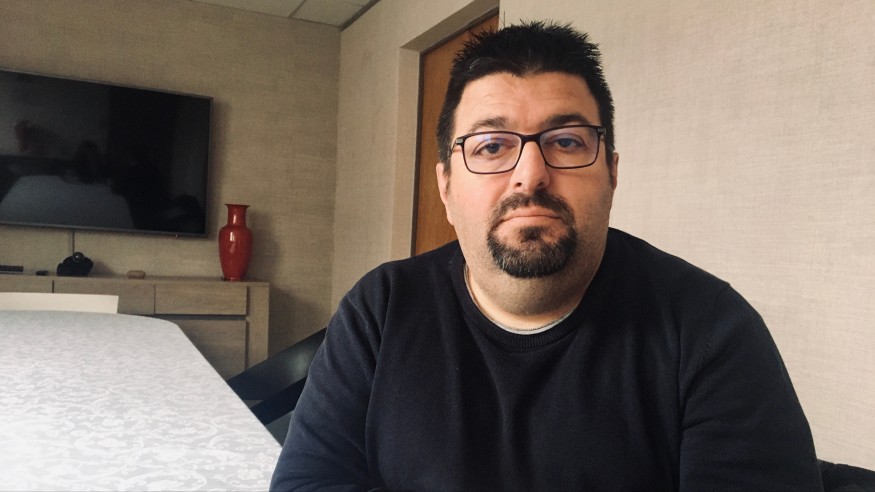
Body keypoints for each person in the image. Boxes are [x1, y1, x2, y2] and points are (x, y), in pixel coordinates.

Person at [271, 21, 822, 490]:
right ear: (446, 187)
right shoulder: (381, 308)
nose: (530, 174)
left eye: (566, 141)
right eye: (491, 146)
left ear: (611, 174)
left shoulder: (711, 330)